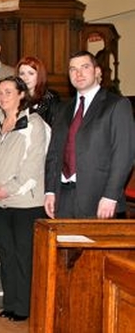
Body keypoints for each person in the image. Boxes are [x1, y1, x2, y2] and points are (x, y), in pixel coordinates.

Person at [0, 76, 49, 322]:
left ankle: (25, 306)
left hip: (25, 202)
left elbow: (33, 166)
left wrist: (8, 189)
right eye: (0, 92)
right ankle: (10, 303)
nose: (2, 96)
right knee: (6, 254)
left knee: (23, 256)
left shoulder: (34, 124)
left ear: (21, 94)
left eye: (8, 92)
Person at [45, 50, 135, 220]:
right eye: (73, 69)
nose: (78, 73)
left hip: (99, 198)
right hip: (62, 196)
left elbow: (124, 155)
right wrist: (50, 190)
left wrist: (111, 195)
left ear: (97, 71)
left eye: (84, 67)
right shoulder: (62, 108)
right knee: (63, 246)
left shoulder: (116, 105)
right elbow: (54, 153)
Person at [16, 56, 60, 126]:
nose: (25, 78)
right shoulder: (15, 98)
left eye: (31, 73)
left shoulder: (50, 98)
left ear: (39, 75)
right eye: (22, 74)